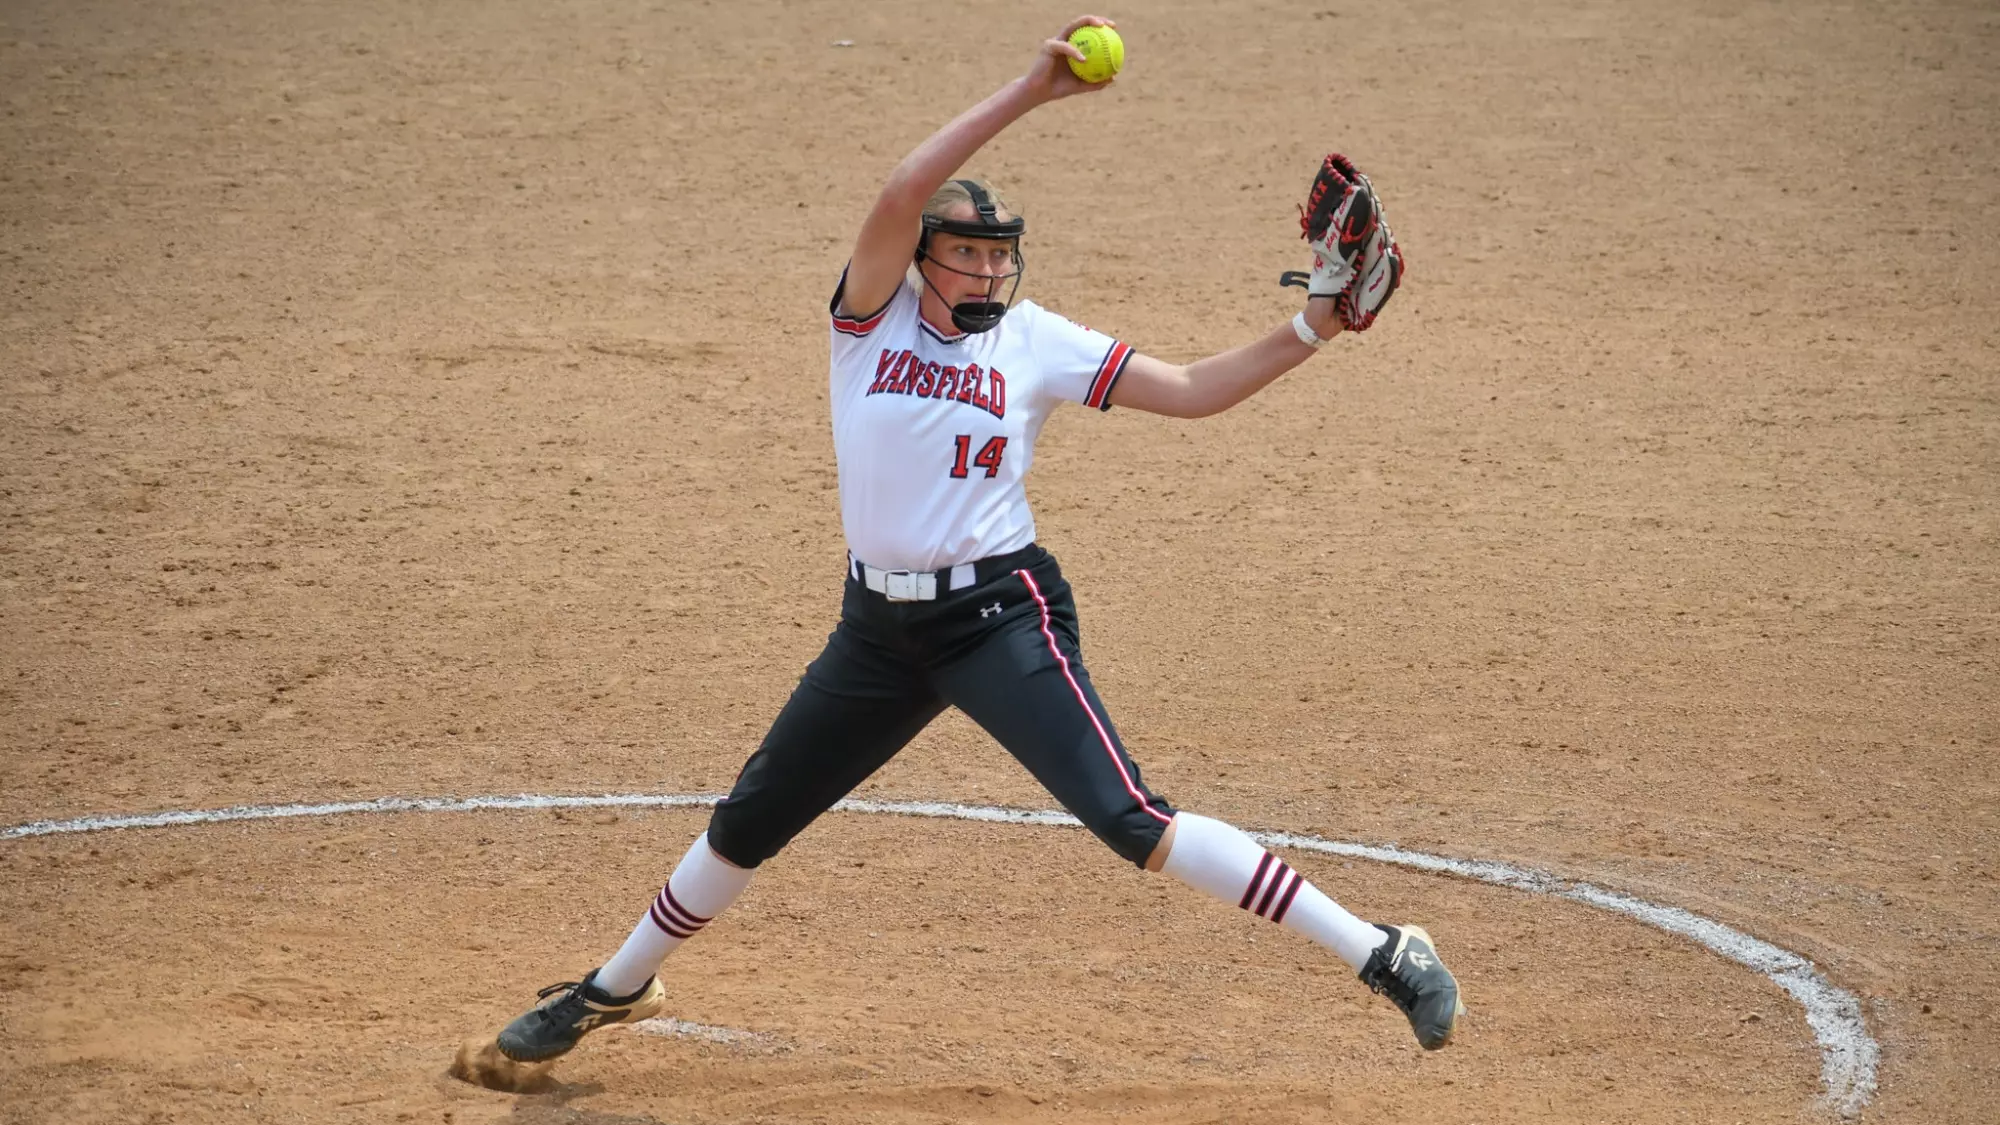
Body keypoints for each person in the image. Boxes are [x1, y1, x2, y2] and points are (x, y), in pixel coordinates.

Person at [487, 14, 1460, 1068]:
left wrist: (1310, 329)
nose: (989, 275)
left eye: (1001, 258)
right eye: (966, 255)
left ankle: (1381, 952)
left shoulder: (1036, 342)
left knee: (1127, 816)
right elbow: (899, 192)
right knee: (749, 820)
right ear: (921, 261)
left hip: (997, 615)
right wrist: (1032, 91)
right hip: (874, 631)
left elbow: (1187, 391)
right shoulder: (871, 317)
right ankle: (610, 991)